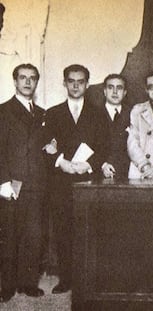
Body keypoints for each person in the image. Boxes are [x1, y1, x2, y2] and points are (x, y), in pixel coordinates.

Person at [44, 64, 108, 293]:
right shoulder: (52, 113)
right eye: (71, 81)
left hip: (88, 182)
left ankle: (88, 280)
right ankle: (67, 280)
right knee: (63, 231)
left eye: (80, 81)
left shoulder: (99, 113)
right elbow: (46, 145)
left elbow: (104, 147)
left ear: (87, 84)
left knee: (89, 230)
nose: (75, 85)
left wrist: (87, 164)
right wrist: (63, 163)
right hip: (61, 181)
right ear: (64, 83)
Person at [0, 64, 47, 301]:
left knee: (33, 236)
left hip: (36, 185)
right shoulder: (3, 111)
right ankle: (6, 286)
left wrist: (52, 148)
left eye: (32, 78)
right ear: (15, 81)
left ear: (37, 82)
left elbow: (42, 148)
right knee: (9, 236)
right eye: (23, 78)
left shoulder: (41, 113)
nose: (27, 82)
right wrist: (3, 181)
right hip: (12, 184)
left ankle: (27, 283)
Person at [101, 74, 131, 180]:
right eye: (110, 87)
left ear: (125, 92)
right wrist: (102, 165)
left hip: (127, 174)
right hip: (99, 173)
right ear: (104, 91)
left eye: (119, 88)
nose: (114, 92)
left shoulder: (133, 114)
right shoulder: (93, 114)